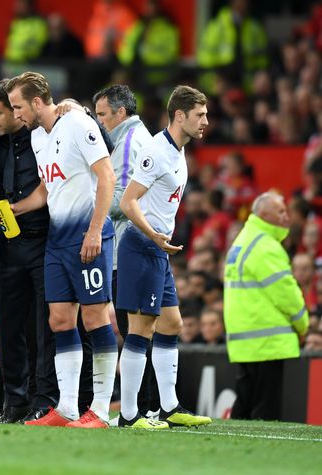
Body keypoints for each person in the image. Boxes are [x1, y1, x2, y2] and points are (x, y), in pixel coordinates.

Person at [5, 72, 118, 428]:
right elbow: (47, 189)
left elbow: (106, 175)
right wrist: (15, 209)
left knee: (95, 318)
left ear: (37, 102)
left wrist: (95, 230)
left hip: (89, 236)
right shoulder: (39, 137)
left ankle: (100, 409)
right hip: (57, 240)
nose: (15, 113)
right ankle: (67, 407)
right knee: (59, 319)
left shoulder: (78, 123)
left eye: (17, 106)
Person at [117, 85, 212, 429]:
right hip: (143, 247)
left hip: (158, 249)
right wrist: (154, 234)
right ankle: (129, 416)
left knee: (172, 324)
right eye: (200, 115)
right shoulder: (155, 151)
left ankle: (169, 408)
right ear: (180, 115)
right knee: (141, 330)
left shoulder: (179, 150)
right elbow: (128, 202)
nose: (206, 121)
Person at [0, 79, 58, 424]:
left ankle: (45, 398)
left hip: (42, 239)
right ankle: (15, 401)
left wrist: (72, 106)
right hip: (9, 244)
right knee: (9, 328)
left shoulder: (42, 133)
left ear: (17, 109)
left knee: (43, 327)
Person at [93, 84, 159, 415]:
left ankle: (144, 408)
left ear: (121, 113)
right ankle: (145, 408)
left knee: (134, 332)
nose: (99, 121)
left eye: (103, 114)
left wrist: (90, 198)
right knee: (138, 330)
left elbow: (121, 199)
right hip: (135, 246)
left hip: (127, 247)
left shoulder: (128, 142)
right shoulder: (138, 139)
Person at [224, 191, 309, 420]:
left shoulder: (242, 241)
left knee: (244, 406)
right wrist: (302, 324)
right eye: (280, 211)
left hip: (245, 337)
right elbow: (286, 293)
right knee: (264, 412)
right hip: (267, 339)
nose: (286, 216)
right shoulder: (265, 246)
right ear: (263, 214)